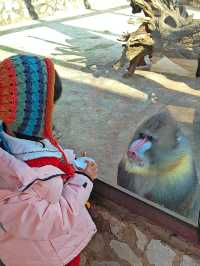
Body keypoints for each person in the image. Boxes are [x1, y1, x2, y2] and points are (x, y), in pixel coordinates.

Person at [0, 54, 97, 266]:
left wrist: (71, 162)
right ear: (33, 113)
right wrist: (83, 180)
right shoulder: (15, 177)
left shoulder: (13, 135)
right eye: (51, 106)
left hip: (51, 248)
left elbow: (46, 158)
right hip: (49, 257)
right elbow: (52, 220)